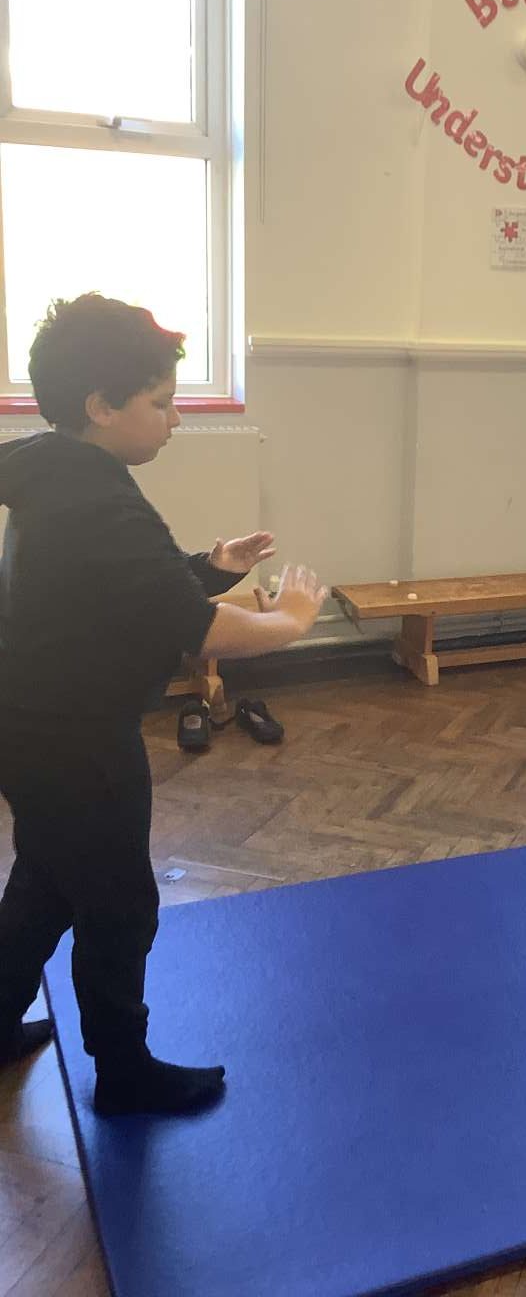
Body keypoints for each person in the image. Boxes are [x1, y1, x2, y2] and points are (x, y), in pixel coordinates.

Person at [0, 293, 327, 1115]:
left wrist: (212, 566)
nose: (175, 420)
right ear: (101, 406)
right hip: (77, 738)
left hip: (32, 725)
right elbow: (194, 627)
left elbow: (130, 586)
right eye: (161, 402)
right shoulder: (97, 499)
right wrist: (289, 622)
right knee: (119, 904)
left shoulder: (49, 464)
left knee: (48, 881)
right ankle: (124, 1073)